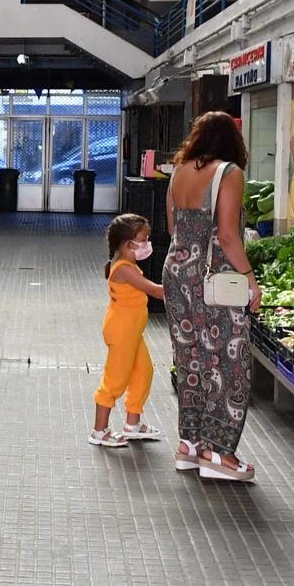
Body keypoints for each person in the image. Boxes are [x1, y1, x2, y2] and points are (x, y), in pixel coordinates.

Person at [164, 111, 260, 481]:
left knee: (189, 358)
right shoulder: (229, 173)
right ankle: (218, 453)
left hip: (176, 273)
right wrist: (250, 279)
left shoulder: (178, 171)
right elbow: (227, 235)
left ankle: (189, 444)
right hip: (214, 280)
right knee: (229, 362)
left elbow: (174, 228)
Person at [90, 213, 168, 448]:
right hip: (123, 332)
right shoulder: (124, 269)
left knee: (144, 371)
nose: (147, 244)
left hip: (132, 332)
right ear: (127, 244)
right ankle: (99, 430)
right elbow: (155, 291)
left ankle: (133, 423)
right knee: (116, 379)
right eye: (143, 240)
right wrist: (184, 285)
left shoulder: (128, 263)